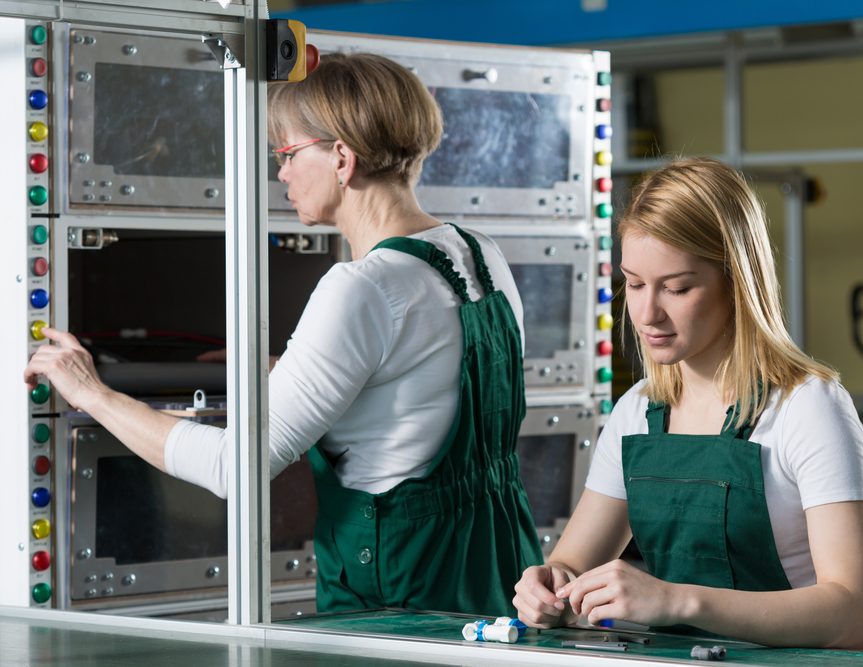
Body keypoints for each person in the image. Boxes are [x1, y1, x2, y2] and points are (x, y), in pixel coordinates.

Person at [24, 52, 542, 616]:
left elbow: (235, 468)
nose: (281, 174)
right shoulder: (477, 253)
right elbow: (420, 390)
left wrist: (92, 394)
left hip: (402, 583)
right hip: (495, 561)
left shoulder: (364, 286)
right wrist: (296, 372)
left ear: (342, 158)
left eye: (288, 154)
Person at [512, 158, 863, 649]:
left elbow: (854, 617)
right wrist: (548, 590)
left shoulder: (807, 409)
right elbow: (570, 567)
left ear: (737, 282)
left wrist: (677, 601)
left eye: (677, 287)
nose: (646, 313)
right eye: (635, 284)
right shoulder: (637, 411)